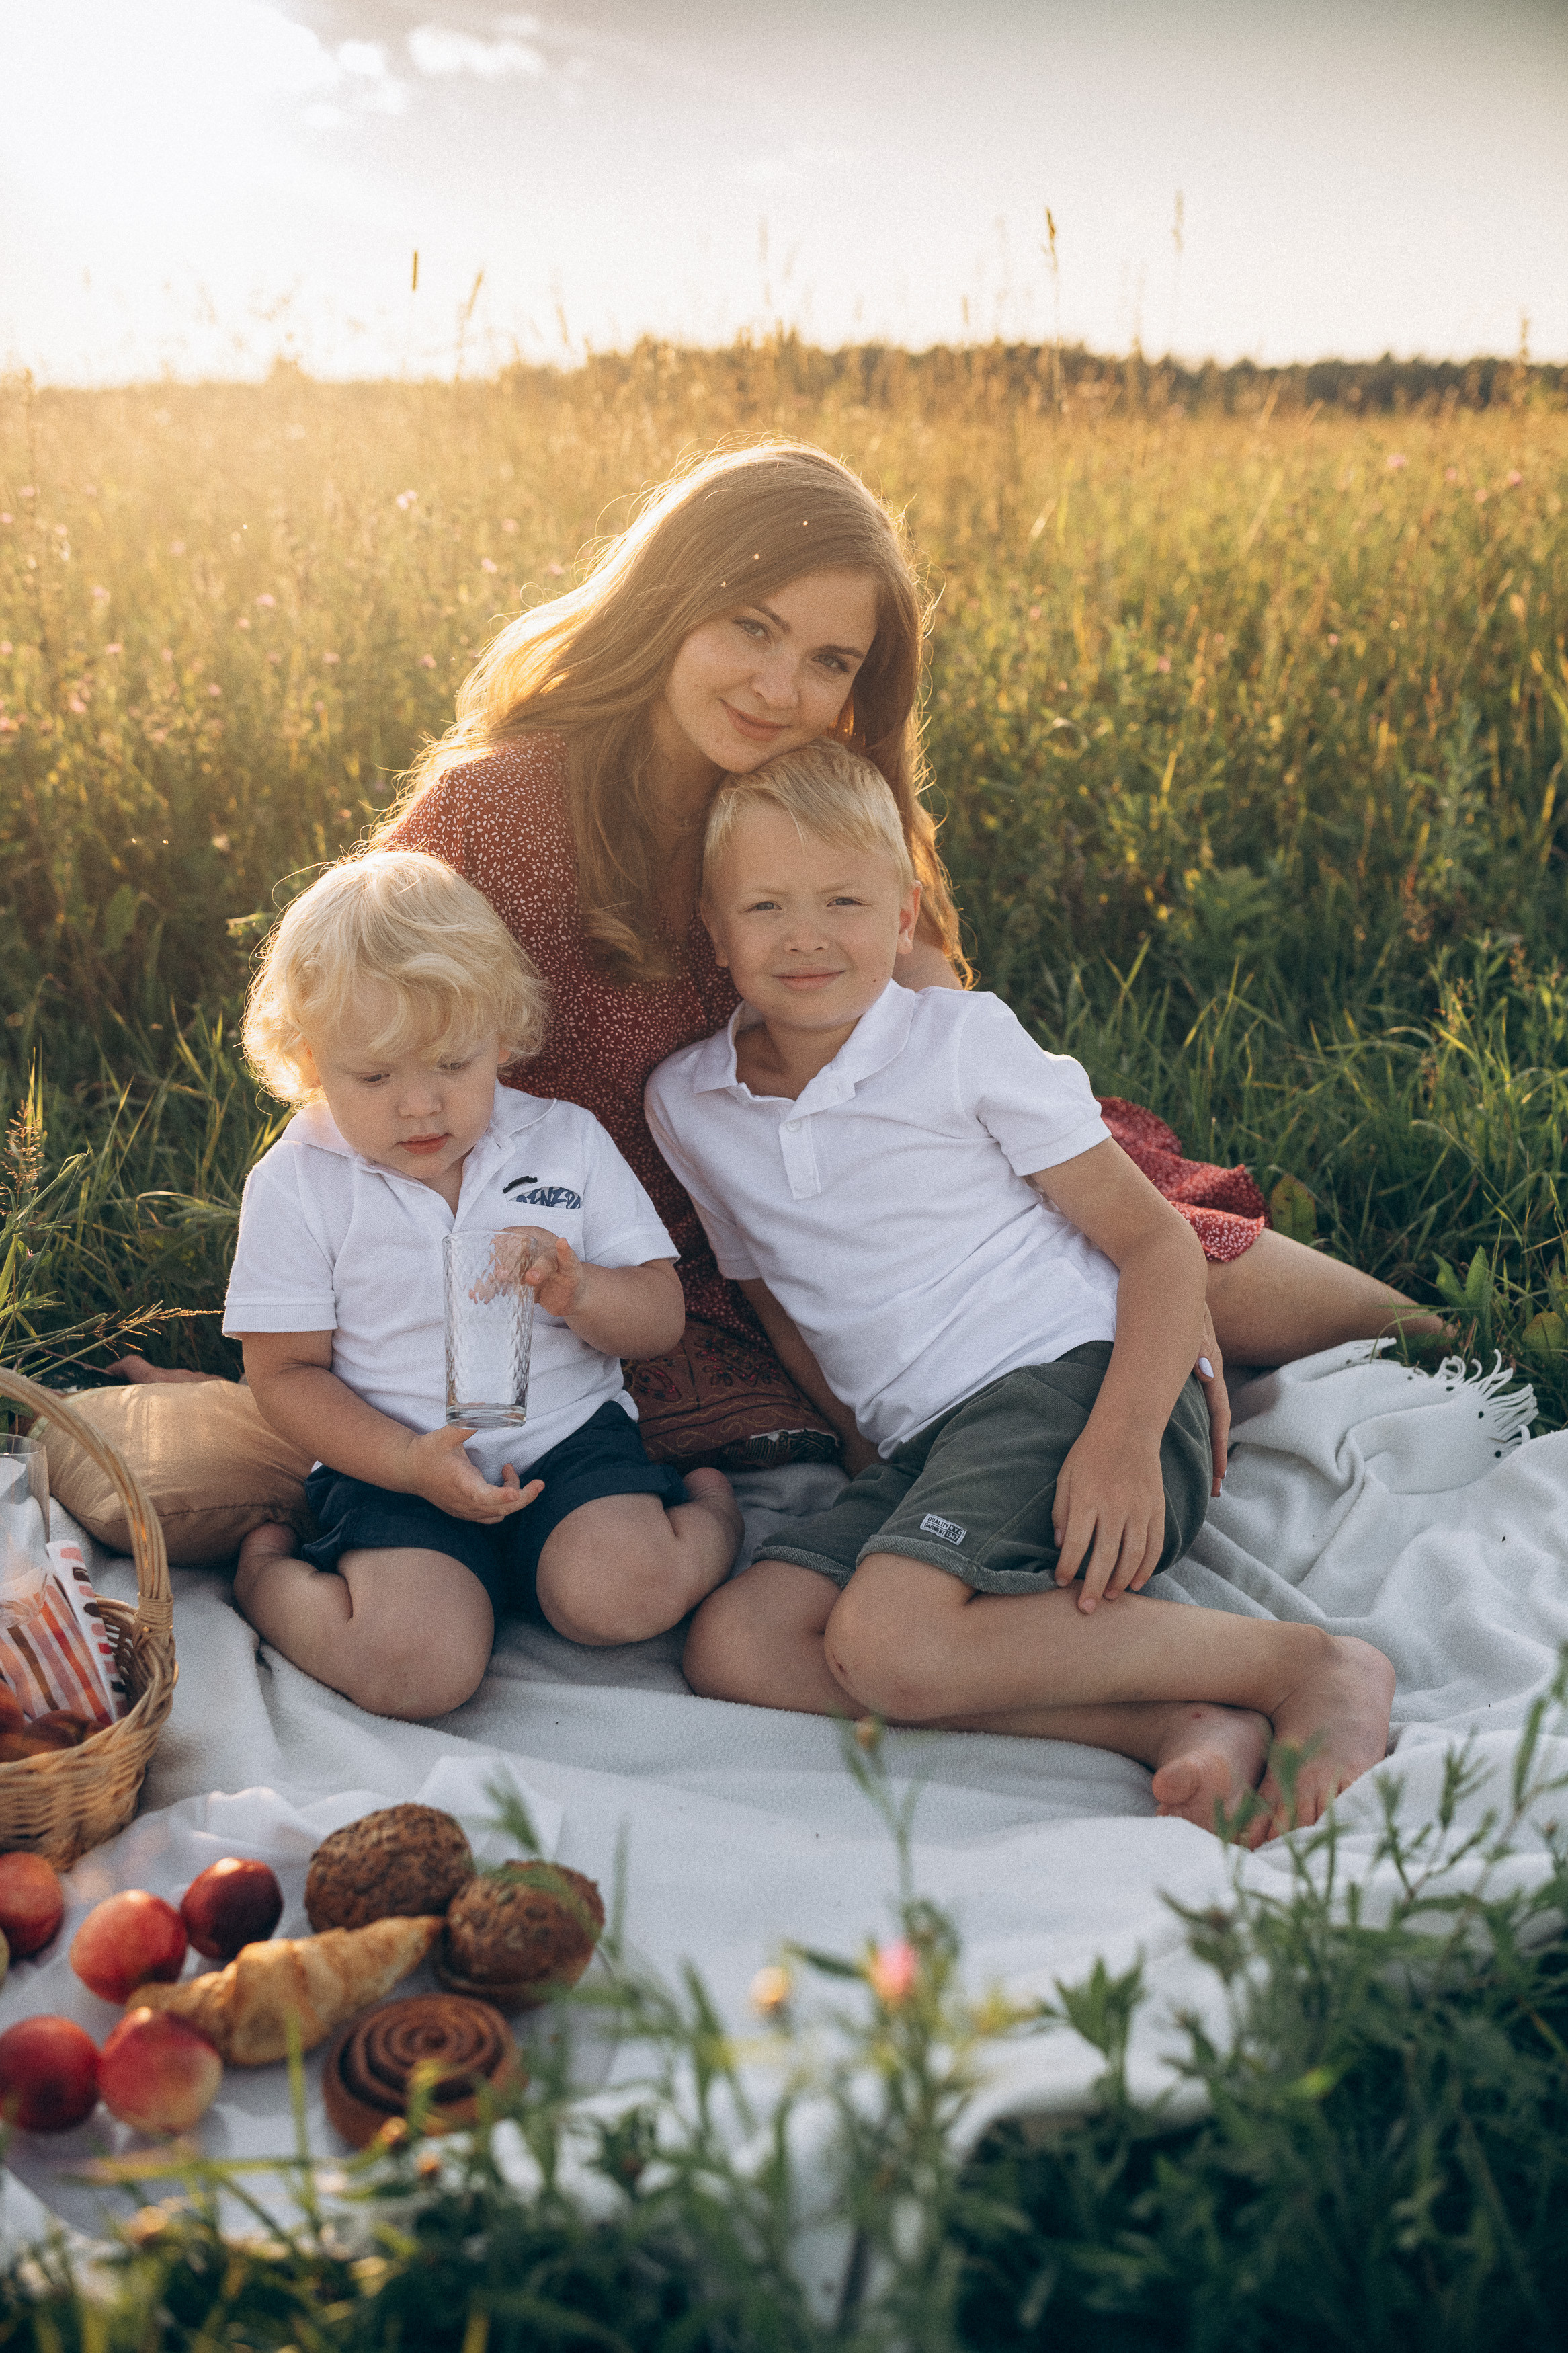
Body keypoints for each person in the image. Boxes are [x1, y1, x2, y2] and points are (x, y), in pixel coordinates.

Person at [98, 440, 1435, 1555]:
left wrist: (1113, 1315)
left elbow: (925, 1016)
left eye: (829, 660)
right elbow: (369, 1037)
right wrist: (292, 1345)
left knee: (1312, 1305)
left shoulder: (808, 804)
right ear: (671, 601)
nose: (780, 687)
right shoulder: (498, 813)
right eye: (752, 628)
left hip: (846, 1178)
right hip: (647, 1241)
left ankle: (1458, 1356)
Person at [645, 744, 1396, 1841]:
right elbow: (771, 1293)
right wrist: (866, 1455)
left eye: (844, 901)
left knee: (889, 1644)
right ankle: (1164, 1721)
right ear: (713, 933)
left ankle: (1307, 1662)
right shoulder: (688, 1102)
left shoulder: (958, 1042)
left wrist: (1124, 1439)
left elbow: (1158, 1247)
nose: (805, 936)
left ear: (903, 915)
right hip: (928, 1441)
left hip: (1075, 1381)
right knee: (741, 1644)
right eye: (765, 906)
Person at [224, 850, 742, 1720]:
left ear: (500, 1036)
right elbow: (282, 1373)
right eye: (376, 1076)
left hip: (566, 1441)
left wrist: (579, 1291)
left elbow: (659, 1318)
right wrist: (400, 1460)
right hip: (396, 1457)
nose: (419, 1107)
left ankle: (712, 1522)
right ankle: (268, 1579)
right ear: (312, 1062)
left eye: (450, 1065)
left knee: (622, 1599)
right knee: (415, 1671)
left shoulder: (563, 1143)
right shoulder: (299, 1179)